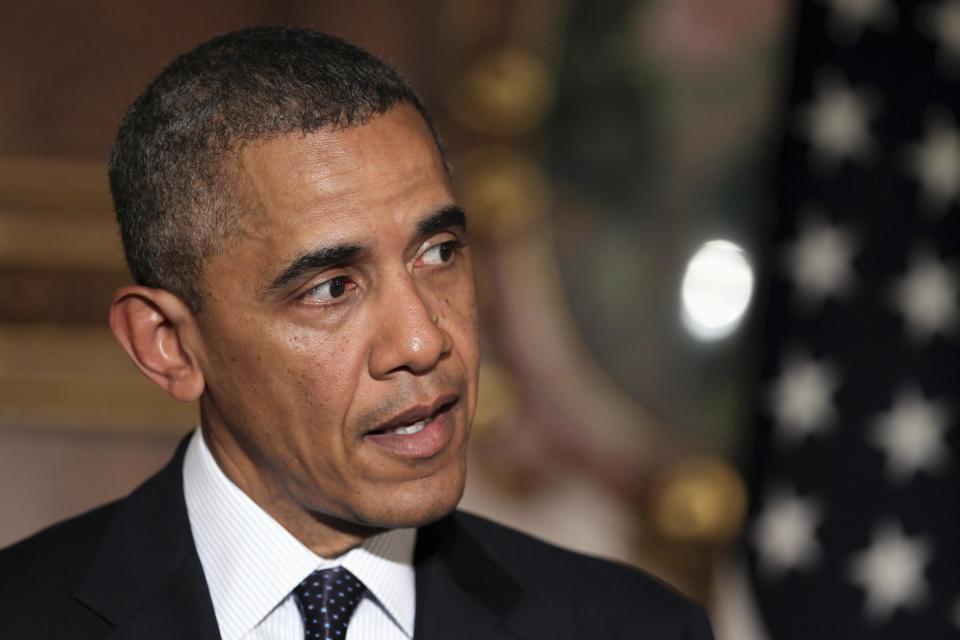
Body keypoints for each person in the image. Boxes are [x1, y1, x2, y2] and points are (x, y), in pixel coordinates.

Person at [0, 26, 714, 640]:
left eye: (438, 254)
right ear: (169, 346)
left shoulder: (634, 629)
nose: (422, 342)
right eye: (331, 288)